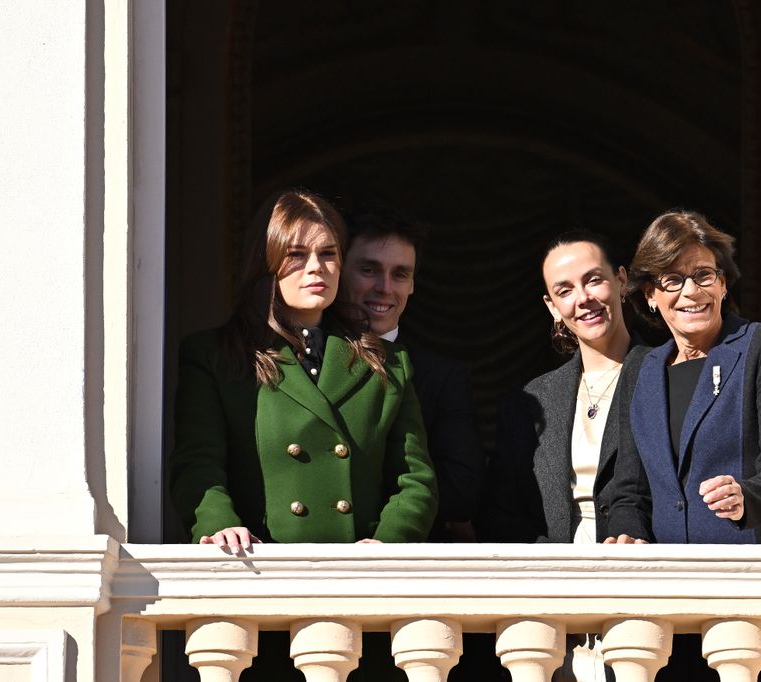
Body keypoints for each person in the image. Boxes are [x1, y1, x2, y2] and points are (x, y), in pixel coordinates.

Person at [169, 189, 437, 549]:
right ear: (267, 262)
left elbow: (414, 479)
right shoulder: (216, 356)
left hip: (361, 574)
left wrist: (388, 542)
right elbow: (198, 462)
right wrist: (219, 524)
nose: (317, 267)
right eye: (296, 254)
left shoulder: (386, 360)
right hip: (261, 568)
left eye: (328, 254)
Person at [610, 210, 761, 682]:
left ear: (722, 284)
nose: (691, 292)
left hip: (746, 596)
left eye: (703, 275)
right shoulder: (639, 370)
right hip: (660, 610)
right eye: (673, 280)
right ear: (651, 296)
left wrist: (748, 496)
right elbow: (628, 486)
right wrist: (625, 530)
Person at [488, 231, 651, 682]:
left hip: (639, 588)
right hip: (548, 599)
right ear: (551, 306)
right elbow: (503, 517)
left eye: (594, 280)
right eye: (565, 290)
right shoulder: (529, 401)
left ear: (620, 282)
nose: (584, 299)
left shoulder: (666, 373)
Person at [341, 202, 485, 542]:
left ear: (413, 284)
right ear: (340, 271)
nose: (385, 287)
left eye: (400, 274)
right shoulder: (301, 359)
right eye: (369, 270)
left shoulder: (443, 377)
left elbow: (461, 491)